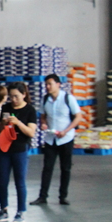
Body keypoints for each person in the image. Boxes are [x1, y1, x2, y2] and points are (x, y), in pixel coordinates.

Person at [30, 74, 83, 206]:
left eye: (50, 84)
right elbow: (43, 116)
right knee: (47, 168)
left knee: (65, 168)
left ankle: (63, 196)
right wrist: (43, 124)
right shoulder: (45, 99)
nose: (48, 87)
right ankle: (42, 196)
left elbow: (78, 117)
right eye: (46, 84)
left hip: (66, 139)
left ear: (58, 84)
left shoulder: (68, 98)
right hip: (50, 139)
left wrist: (66, 131)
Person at [0, 82, 37, 222]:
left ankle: (20, 211)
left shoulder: (30, 110)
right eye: (11, 96)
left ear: (24, 95)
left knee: (20, 182)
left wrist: (18, 123)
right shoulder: (6, 108)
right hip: (4, 149)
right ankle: (3, 209)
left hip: (20, 149)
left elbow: (31, 132)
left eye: (16, 96)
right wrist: (3, 123)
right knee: (2, 181)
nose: (13, 100)